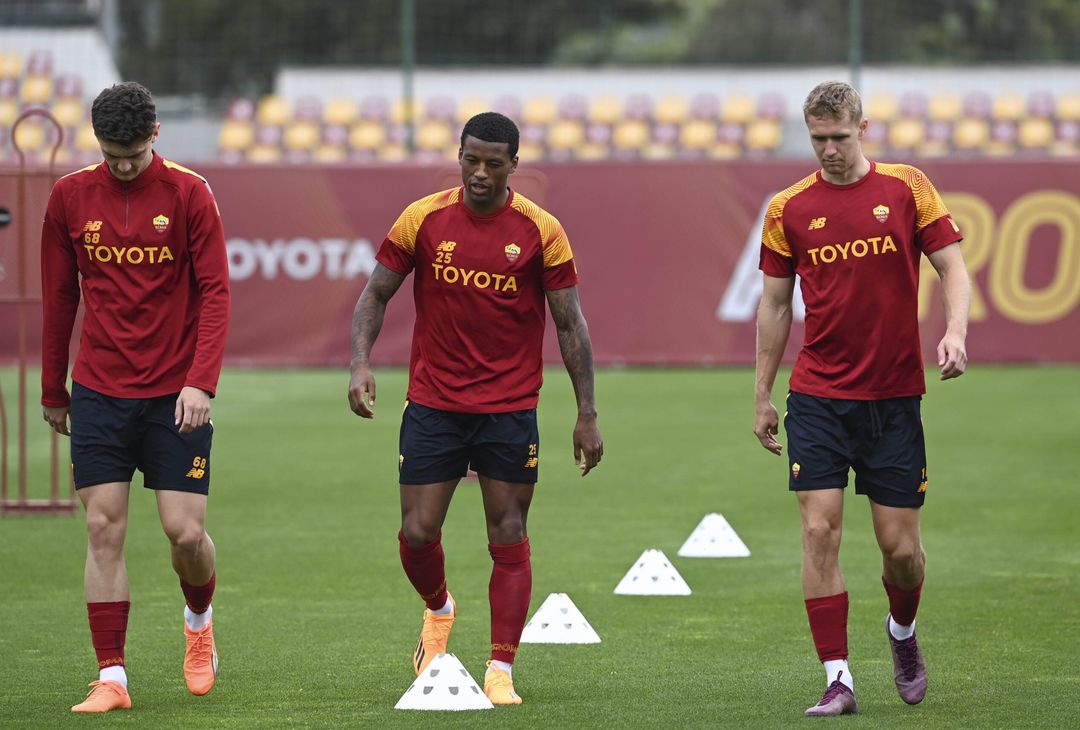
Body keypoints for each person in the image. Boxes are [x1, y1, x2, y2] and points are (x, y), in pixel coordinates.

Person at [347, 111, 602, 705]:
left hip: (510, 407)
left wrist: (586, 411)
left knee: (508, 530)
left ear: (514, 165)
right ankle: (439, 610)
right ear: (459, 157)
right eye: (471, 160)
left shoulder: (542, 230)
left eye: (493, 163)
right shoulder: (424, 218)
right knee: (416, 532)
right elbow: (375, 294)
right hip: (434, 402)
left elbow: (571, 324)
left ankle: (500, 668)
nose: (480, 173)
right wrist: (361, 361)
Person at [752, 80, 970, 717]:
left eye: (839, 138)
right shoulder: (788, 207)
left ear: (863, 129)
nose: (829, 151)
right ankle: (838, 678)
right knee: (819, 531)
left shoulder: (907, 188)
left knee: (901, 551)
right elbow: (772, 305)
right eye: (818, 139)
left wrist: (955, 331)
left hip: (894, 398)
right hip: (818, 395)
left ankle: (902, 632)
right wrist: (762, 395)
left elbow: (952, 267)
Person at [40, 82, 230, 713]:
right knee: (102, 527)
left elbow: (216, 293)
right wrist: (53, 387)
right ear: (97, 142)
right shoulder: (69, 196)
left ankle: (199, 623)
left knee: (183, 534)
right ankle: (111, 676)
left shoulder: (189, 192)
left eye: (133, 152)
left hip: (175, 393)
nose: (123, 165)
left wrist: (201, 380)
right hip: (98, 388)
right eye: (111, 153)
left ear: (154, 135)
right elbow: (60, 297)